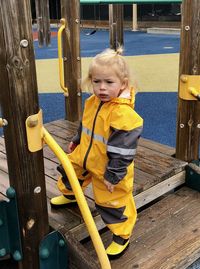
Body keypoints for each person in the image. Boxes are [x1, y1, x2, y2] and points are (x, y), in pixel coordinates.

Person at [50, 47, 143, 258]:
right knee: (69, 171)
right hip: (85, 154)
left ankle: (122, 235)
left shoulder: (124, 115)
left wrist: (113, 175)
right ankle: (71, 194)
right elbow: (86, 125)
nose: (101, 88)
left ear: (123, 84)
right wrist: (76, 140)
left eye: (109, 82)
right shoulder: (92, 102)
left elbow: (123, 151)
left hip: (109, 167)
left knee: (112, 202)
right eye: (96, 81)